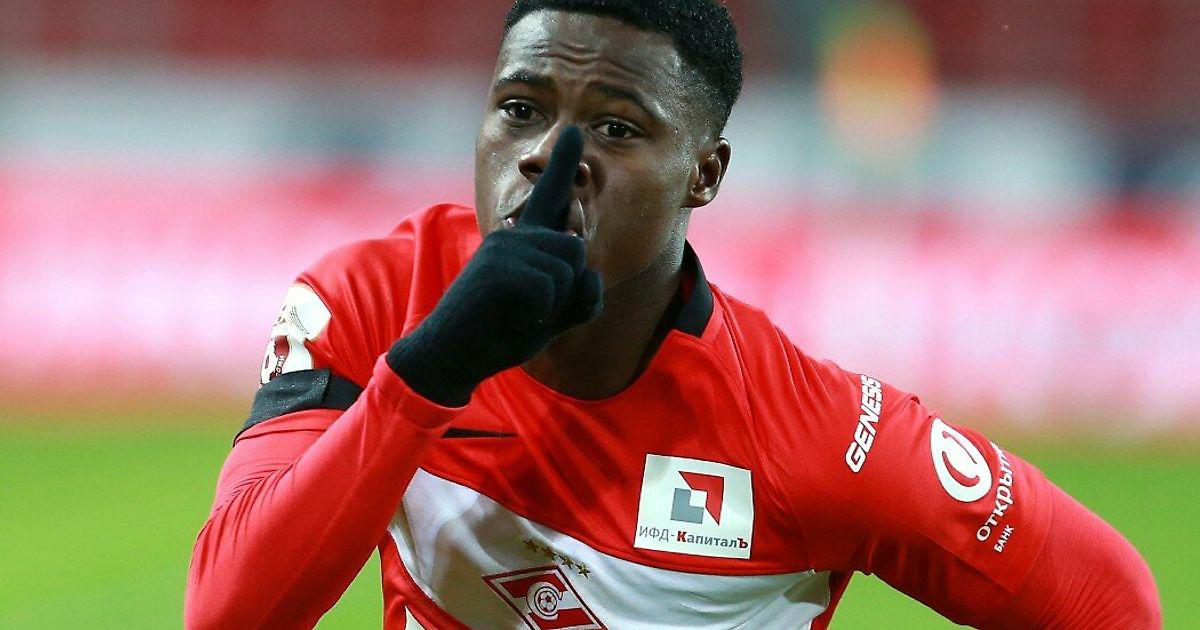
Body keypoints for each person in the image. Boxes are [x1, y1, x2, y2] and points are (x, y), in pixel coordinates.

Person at [185, 1, 1161, 628]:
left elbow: (1111, 601)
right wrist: (430, 372)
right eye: (520, 108)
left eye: (615, 128)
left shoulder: (814, 438)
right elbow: (228, 614)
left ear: (705, 172)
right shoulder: (374, 302)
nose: (548, 156)